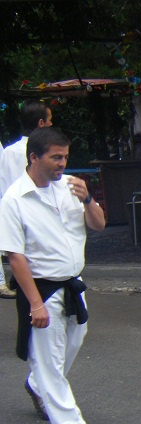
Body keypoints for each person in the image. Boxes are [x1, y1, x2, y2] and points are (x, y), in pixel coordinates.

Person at [0, 127, 106, 424]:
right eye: (55, 157)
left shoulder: (70, 189)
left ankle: (37, 384)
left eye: (65, 157)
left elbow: (98, 224)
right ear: (34, 157)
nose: (62, 163)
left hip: (73, 285)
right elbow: (15, 257)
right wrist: (35, 304)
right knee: (48, 357)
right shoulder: (15, 199)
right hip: (42, 289)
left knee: (74, 340)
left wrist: (88, 198)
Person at [0, 102, 53, 298]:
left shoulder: (9, 151)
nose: (51, 124)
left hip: (15, 216)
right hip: (34, 217)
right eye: (49, 120)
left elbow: (3, 187)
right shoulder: (44, 153)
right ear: (41, 123)